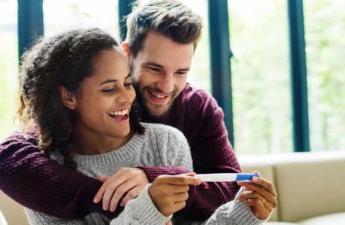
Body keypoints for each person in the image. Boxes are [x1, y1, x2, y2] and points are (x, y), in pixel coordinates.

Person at [0, 0, 241, 220]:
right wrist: (113, 196)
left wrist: (152, 179)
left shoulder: (198, 107)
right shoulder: (94, 103)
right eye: (154, 68)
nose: (167, 85)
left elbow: (231, 188)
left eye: (181, 72)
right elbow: (5, 161)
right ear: (127, 53)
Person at [16, 27, 276, 225]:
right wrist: (149, 207)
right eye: (109, 88)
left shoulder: (166, 142)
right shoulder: (44, 172)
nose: (126, 97)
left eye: (127, 84)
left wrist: (244, 213)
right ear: (68, 97)